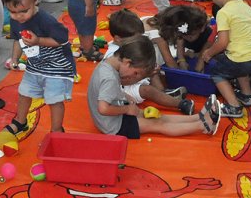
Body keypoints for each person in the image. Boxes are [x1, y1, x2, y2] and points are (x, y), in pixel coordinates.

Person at [88, 35, 221, 138]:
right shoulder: (110, 77)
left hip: (113, 115)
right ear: (128, 63)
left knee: (159, 117)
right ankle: (203, 126)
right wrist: (127, 109)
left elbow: (108, 90)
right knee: (158, 124)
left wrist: (125, 95)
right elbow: (103, 108)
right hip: (114, 126)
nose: (133, 77)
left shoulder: (108, 64)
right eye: (136, 73)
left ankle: (198, 117)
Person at [1, 0, 75, 135]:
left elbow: (62, 40)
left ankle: (56, 129)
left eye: (23, 11)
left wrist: (38, 41)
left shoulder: (46, 21)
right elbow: (17, 40)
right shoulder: (16, 20)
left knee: (54, 99)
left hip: (57, 68)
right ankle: (20, 121)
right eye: (12, 12)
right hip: (35, 65)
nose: (18, 17)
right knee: (24, 92)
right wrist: (14, 58)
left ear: (35, 1)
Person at [103, 11, 194, 114]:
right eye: (135, 38)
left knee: (149, 64)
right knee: (148, 90)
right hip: (120, 89)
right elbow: (121, 81)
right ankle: (180, 104)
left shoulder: (128, 47)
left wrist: (148, 69)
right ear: (118, 39)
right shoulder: (113, 55)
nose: (138, 40)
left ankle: (162, 93)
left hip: (132, 78)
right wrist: (145, 74)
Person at [148, 4, 213, 71]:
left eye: (191, 35)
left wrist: (182, 60)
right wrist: (182, 73)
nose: (189, 38)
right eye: (186, 36)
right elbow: (170, 62)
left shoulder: (177, 24)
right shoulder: (159, 35)